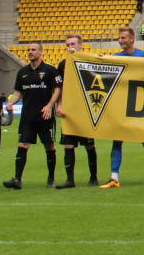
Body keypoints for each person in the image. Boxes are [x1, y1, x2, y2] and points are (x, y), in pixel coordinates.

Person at [101, 27, 144, 188]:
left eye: (123, 38)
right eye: (119, 38)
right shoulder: (115, 57)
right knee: (117, 139)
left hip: (140, 105)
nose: (120, 40)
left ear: (132, 39)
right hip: (121, 105)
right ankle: (114, 177)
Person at [1, 42, 61, 189]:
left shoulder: (50, 70)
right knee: (22, 144)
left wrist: (49, 105)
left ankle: (51, 179)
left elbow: (57, 89)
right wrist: (11, 103)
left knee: (49, 146)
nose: (30, 52)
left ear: (41, 52)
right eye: (28, 50)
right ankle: (17, 179)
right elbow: (18, 92)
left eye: (33, 50)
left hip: (45, 115)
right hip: (27, 116)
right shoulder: (22, 72)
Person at [53, 34, 100, 188]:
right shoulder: (63, 65)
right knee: (68, 145)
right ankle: (70, 180)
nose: (70, 47)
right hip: (69, 111)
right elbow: (60, 87)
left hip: (85, 111)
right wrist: (59, 105)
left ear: (80, 45)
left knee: (89, 145)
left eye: (73, 44)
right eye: (68, 45)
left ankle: (93, 178)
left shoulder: (89, 61)